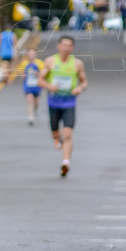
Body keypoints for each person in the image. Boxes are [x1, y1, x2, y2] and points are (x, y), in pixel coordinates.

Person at [39, 36, 88, 178]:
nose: (66, 48)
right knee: (56, 134)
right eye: (64, 45)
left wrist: (80, 88)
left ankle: (65, 162)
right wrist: (50, 86)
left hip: (69, 103)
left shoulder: (77, 64)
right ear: (58, 46)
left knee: (67, 134)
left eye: (69, 46)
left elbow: (84, 82)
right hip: (54, 103)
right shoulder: (50, 62)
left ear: (72, 48)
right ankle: (57, 138)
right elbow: (40, 80)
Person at [18, 48, 44, 126]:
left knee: (36, 102)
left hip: (37, 85)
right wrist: (23, 75)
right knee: (29, 99)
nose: (31, 55)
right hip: (28, 85)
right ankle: (30, 117)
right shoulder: (24, 63)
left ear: (35, 54)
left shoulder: (39, 63)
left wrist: (37, 74)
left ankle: (35, 109)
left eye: (32, 54)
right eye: (29, 54)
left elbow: (44, 74)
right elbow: (21, 72)